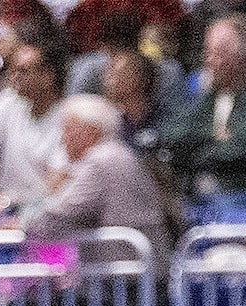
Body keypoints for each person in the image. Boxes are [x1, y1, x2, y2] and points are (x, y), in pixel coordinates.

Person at [160, 14, 246, 213]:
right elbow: (171, 134)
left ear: (242, 57)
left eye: (219, 53)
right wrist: (216, 136)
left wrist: (197, 149)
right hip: (198, 189)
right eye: (207, 52)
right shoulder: (206, 98)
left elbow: (237, 151)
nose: (209, 61)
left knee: (223, 206)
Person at [23, 92, 168, 258]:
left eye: (67, 130)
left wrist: (22, 227)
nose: (63, 140)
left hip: (124, 274)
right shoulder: (117, 153)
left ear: (90, 131)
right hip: (137, 268)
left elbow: (60, 215)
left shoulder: (100, 161)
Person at [0, 36, 67, 220]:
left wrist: (23, 213)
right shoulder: (10, 100)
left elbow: (56, 183)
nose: (14, 76)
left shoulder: (67, 117)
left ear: (47, 77)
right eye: (13, 69)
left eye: (23, 71)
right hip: (4, 211)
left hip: (46, 217)